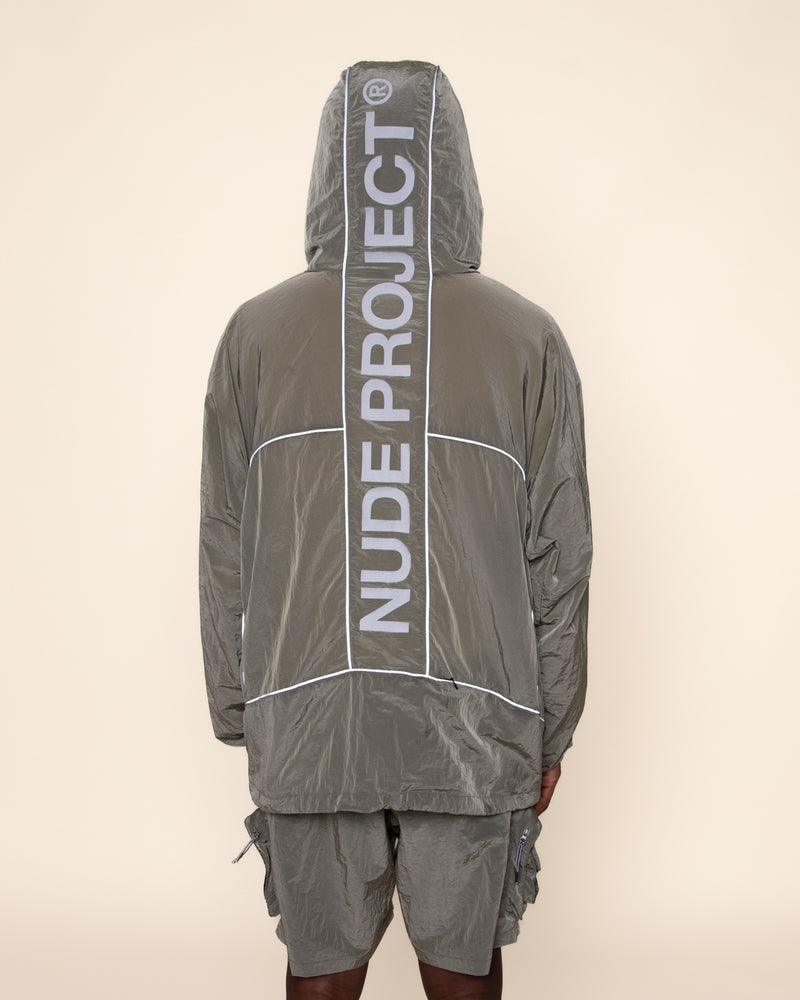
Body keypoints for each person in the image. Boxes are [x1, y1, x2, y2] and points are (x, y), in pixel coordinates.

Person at [199, 60, 593, 1000]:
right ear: (453, 167)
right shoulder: (528, 337)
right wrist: (552, 723)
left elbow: (224, 541)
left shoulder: (255, 334)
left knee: (321, 970)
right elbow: (561, 554)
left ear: (332, 166)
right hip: (477, 716)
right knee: (462, 970)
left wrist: (239, 704)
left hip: (308, 712)